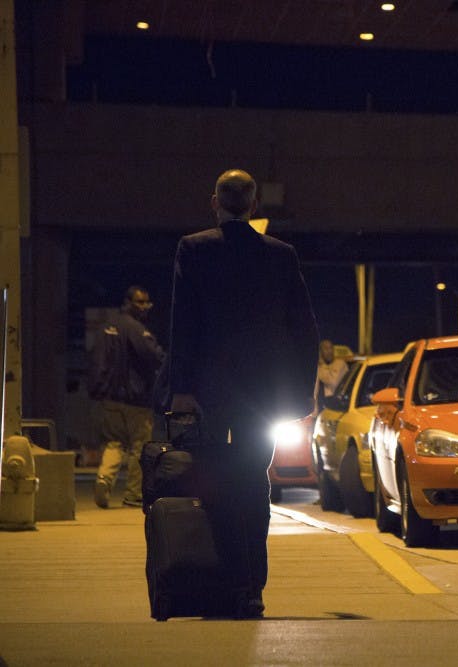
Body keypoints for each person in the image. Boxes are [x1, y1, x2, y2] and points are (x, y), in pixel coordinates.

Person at [167, 168, 319, 618]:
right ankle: (251, 588)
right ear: (254, 207)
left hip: (211, 397)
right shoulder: (281, 255)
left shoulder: (194, 249)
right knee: (253, 483)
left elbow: (185, 323)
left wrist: (181, 388)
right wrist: (299, 394)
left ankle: (223, 583)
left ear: (214, 202)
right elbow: (304, 329)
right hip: (262, 397)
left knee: (215, 486)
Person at [90, 285, 166, 508]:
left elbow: (96, 360)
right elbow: (154, 356)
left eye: (146, 303)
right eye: (140, 302)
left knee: (113, 443)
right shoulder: (136, 329)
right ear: (128, 303)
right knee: (139, 447)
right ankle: (133, 494)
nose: (144, 307)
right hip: (136, 399)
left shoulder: (106, 328)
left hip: (110, 398)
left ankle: (104, 478)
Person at [313, 339, 349, 414]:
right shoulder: (318, 366)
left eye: (330, 348)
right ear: (321, 352)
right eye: (326, 349)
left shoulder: (340, 364)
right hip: (321, 405)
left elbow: (333, 382)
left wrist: (322, 366)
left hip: (336, 404)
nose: (329, 351)